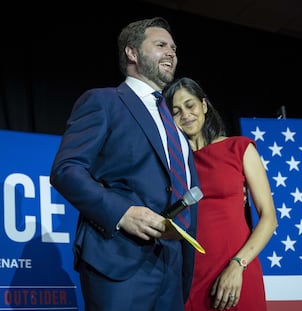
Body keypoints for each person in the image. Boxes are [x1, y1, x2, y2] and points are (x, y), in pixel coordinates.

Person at [49, 18, 200, 311]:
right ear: (132, 52)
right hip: (118, 259)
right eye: (160, 45)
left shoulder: (175, 125)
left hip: (172, 266)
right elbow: (66, 169)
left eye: (174, 48)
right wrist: (123, 212)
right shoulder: (104, 101)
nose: (171, 53)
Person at [163, 77, 278, 311]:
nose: (185, 114)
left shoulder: (239, 148)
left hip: (237, 271)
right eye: (176, 111)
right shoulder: (172, 165)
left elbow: (269, 218)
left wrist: (238, 264)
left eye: (190, 105)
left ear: (204, 105)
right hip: (188, 276)